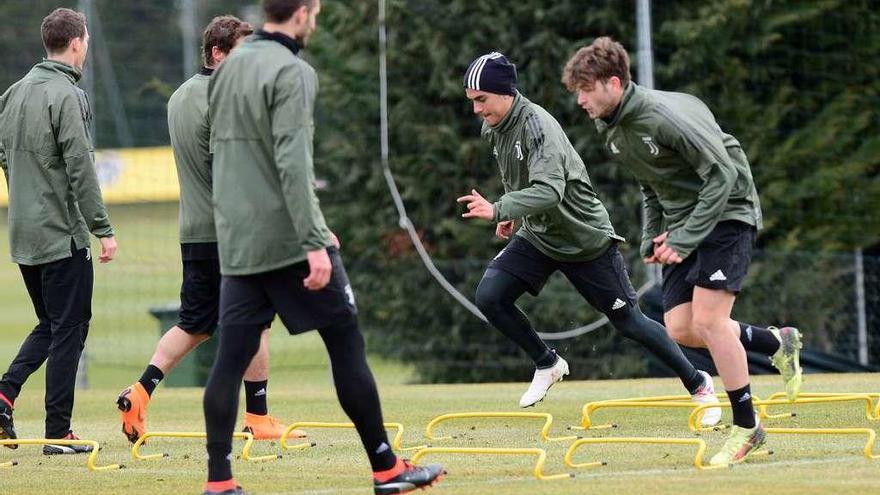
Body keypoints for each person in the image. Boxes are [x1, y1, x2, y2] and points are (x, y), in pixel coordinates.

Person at [202, 1, 445, 494]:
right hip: (290, 241)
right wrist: (314, 239)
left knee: (229, 360)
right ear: (305, 11)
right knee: (345, 343)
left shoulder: (224, 72)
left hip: (239, 241)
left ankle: (220, 482)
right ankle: (386, 468)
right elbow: (292, 163)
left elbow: (225, 159)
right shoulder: (293, 71)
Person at [562, 36, 803, 465]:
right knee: (681, 328)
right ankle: (774, 341)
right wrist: (651, 235)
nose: (579, 99)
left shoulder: (660, 116)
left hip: (728, 209)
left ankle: (748, 426)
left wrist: (685, 239)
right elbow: (651, 183)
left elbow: (723, 173)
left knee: (710, 321)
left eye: (585, 88)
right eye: (576, 90)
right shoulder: (613, 129)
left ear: (612, 83)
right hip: (684, 220)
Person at [457, 51, 722, 426]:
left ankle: (699, 384)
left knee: (629, 322)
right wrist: (513, 213)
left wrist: (501, 207)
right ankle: (547, 362)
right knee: (490, 296)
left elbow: (550, 190)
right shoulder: (494, 126)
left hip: (585, 240)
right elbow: (518, 175)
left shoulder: (537, 126)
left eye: (481, 100)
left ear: (505, 92)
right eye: (472, 102)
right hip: (540, 236)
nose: (477, 110)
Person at [115, 15, 303, 447]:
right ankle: (257, 418)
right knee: (257, 321)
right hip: (233, 231)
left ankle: (140, 392)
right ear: (218, 53)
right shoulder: (225, 98)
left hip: (194, 229)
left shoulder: (179, 97)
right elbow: (230, 169)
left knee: (194, 324)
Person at [0, 7, 118, 455]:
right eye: (85, 41)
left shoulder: (14, 93)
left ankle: (4, 394)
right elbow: (81, 169)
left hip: (23, 234)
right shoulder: (68, 95)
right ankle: (58, 432)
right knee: (71, 327)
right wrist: (102, 229)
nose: (85, 47)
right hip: (62, 235)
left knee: (50, 323)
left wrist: (27, 195)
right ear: (75, 44)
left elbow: (4, 154)